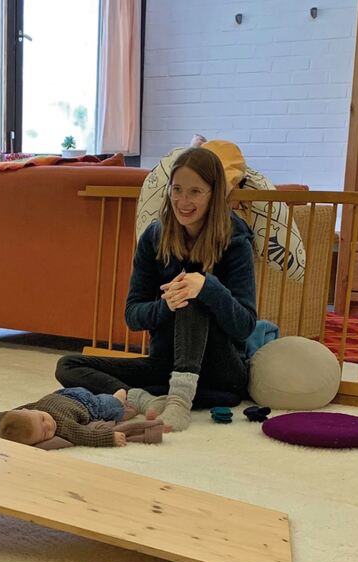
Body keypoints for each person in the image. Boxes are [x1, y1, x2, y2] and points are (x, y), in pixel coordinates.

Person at [55, 147, 257, 432]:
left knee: (191, 290)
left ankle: (180, 400)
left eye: (195, 192)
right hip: (165, 364)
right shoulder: (154, 236)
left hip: (221, 369)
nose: (183, 201)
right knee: (67, 365)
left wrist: (207, 287)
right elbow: (133, 315)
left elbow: (245, 325)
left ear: (214, 194)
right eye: (177, 189)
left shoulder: (235, 240)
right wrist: (165, 305)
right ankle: (144, 399)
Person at [0, 390, 133, 448]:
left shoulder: (22, 413)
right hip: (88, 405)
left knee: (110, 405)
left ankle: (118, 397)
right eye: (44, 433)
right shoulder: (62, 426)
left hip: (74, 396)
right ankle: (117, 398)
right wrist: (110, 438)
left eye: (42, 419)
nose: (49, 425)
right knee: (109, 405)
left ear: (27, 410)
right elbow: (83, 435)